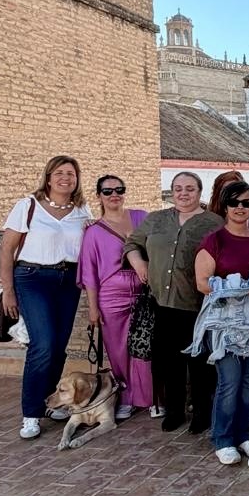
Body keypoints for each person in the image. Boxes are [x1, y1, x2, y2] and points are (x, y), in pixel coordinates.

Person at [0, 154, 92, 439]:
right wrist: (8, 291)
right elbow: (6, 250)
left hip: (67, 281)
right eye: (60, 173)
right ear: (49, 177)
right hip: (32, 278)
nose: (66, 178)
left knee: (59, 346)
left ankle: (51, 403)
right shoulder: (28, 206)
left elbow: (91, 248)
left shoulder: (82, 211)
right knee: (43, 345)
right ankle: (31, 413)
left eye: (71, 174)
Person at [124, 172, 222, 433]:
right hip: (161, 303)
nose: (183, 193)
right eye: (178, 188)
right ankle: (175, 411)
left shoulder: (213, 223)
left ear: (200, 192)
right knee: (169, 362)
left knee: (200, 363)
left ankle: (202, 412)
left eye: (190, 188)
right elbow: (132, 243)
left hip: (196, 304)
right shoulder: (156, 219)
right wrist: (139, 263)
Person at [194, 179, 249, 465]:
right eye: (235, 203)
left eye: (247, 202)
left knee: (248, 381)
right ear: (225, 206)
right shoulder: (214, 241)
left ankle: (244, 434)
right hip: (224, 324)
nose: (241, 208)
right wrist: (241, 288)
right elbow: (203, 284)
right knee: (229, 381)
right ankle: (223, 438)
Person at [77, 174, 153, 421]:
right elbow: (89, 273)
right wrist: (93, 308)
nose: (114, 195)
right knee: (118, 351)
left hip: (144, 292)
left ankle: (152, 397)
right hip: (112, 296)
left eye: (119, 189)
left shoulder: (142, 217)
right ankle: (126, 397)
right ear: (98, 195)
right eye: (107, 191)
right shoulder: (93, 232)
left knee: (146, 346)